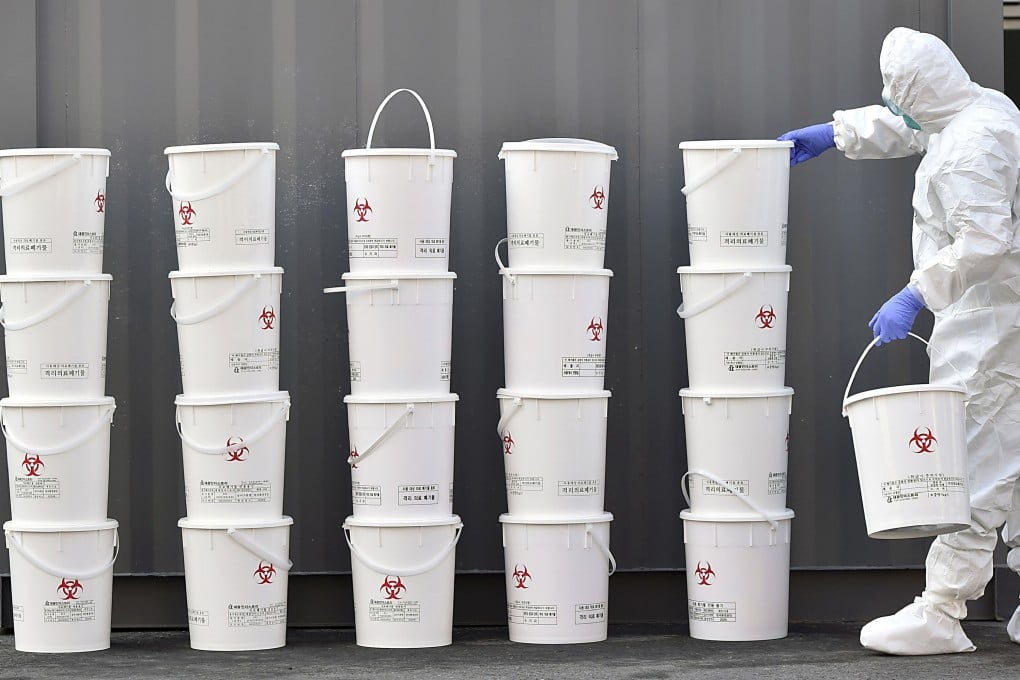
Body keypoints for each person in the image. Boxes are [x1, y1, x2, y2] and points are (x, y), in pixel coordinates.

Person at [779, 26, 1020, 655]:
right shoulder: (980, 105)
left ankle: (942, 609)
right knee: (1013, 459)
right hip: (1000, 312)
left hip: (987, 319)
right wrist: (834, 133)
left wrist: (917, 292)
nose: (895, 107)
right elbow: (914, 124)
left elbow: (983, 243)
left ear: (924, 92)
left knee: (970, 460)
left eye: (900, 95)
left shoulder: (969, 149)